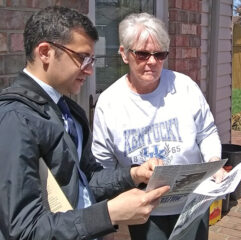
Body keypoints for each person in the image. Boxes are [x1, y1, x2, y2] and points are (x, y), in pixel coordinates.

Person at [0, 6, 170, 240]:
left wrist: (134, 174)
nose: (90, 70)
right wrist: (108, 214)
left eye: (92, 59)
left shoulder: (65, 111)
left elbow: (84, 179)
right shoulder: (11, 120)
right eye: (82, 58)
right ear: (45, 52)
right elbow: (24, 230)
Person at [91, 12, 226, 240]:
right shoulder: (109, 102)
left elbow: (207, 132)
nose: (152, 62)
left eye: (160, 54)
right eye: (142, 54)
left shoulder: (184, 87)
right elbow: (103, 165)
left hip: (192, 202)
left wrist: (213, 160)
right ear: (124, 54)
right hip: (146, 210)